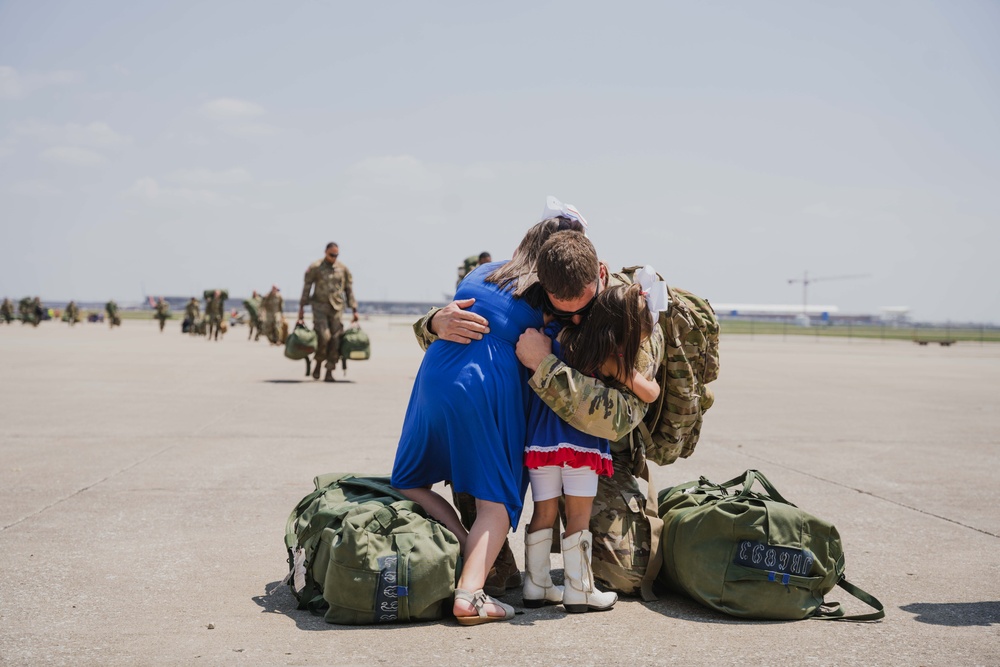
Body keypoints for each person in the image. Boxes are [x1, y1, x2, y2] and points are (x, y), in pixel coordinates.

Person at [417, 227, 667, 599]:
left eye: (584, 310)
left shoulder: (627, 309)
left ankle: (566, 581)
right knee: (498, 577)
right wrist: (435, 322)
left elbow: (620, 418)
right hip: (528, 437)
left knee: (623, 575)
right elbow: (465, 342)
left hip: (599, 452)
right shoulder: (531, 286)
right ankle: (517, 572)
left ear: (600, 273)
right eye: (560, 311)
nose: (577, 321)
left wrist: (545, 365)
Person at [392, 217, 584, 625]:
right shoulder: (547, 298)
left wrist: (432, 322)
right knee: (494, 504)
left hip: (436, 374)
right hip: (484, 384)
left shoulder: (482, 270)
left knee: (409, 481)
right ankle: (471, 595)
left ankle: (468, 548)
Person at [521, 283, 661, 613]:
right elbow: (650, 393)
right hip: (582, 448)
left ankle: (536, 583)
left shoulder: (558, 335)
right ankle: (579, 590)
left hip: (542, 443)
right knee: (579, 518)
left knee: (543, 512)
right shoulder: (609, 358)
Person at [298, 242, 358, 382]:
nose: (334, 258)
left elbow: (349, 289)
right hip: (319, 307)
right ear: (325, 252)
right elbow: (307, 287)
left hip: (336, 308)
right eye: (332, 255)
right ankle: (318, 363)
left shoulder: (343, 269)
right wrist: (301, 308)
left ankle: (330, 370)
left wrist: (354, 310)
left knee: (336, 339)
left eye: (336, 255)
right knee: (324, 337)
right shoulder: (315, 268)